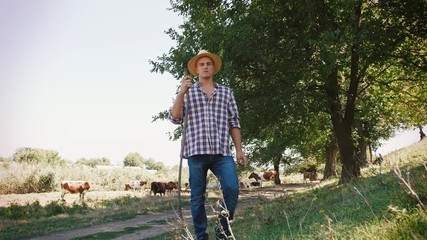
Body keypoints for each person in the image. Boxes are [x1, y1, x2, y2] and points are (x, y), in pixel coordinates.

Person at [169, 50, 248, 240]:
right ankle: (200, 236)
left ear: (213, 68)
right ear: (196, 69)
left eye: (208, 64)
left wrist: (239, 150)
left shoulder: (226, 93)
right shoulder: (187, 93)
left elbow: (234, 123)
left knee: (231, 188)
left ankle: (222, 231)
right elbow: (174, 118)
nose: (205, 66)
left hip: (222, 152)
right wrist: (181, 93)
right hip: (196, 152)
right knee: (197, 197)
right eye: (201, 64)